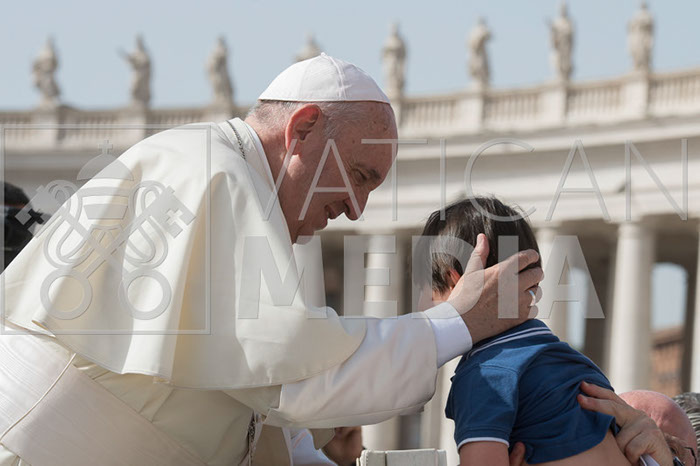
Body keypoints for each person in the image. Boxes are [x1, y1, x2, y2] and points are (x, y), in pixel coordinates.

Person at [0, 55, 542, 464]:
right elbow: (294, 380)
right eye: (359, 176)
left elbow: (245, 391)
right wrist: (458, 321)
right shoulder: (215, 175)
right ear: (302, 130)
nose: (356, 209)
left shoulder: (222, 176)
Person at [415, 196, 636, 465]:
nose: (422, 304)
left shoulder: (485, 373)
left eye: (426, 289)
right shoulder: (575, 363)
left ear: (455, 282)